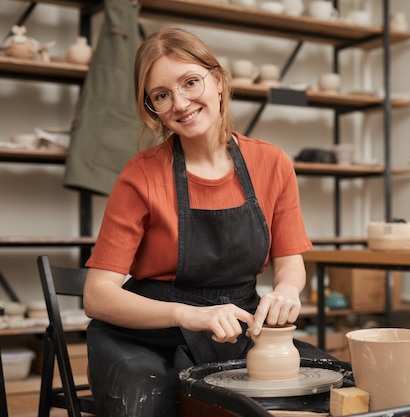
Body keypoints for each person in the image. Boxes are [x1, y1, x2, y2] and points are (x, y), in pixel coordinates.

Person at [82, 26, 314, 416]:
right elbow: (98, 295)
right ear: (152, 107)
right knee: (153, 398)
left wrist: (286, 292)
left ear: (218, 80)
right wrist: (187, 314)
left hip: (236, 330)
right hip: (145, 337)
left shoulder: (272, 163)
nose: (180, 102)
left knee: (325, 386)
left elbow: (289, 260)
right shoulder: (140, 176)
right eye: (161, 95)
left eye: (190, 82)